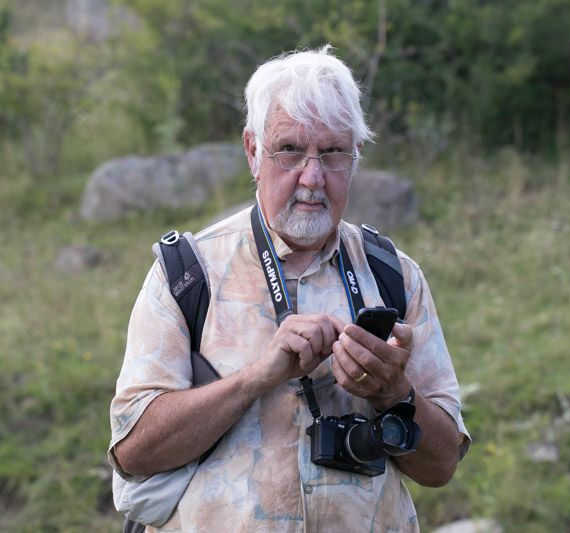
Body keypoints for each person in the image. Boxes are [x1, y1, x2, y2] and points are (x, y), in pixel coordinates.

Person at [108, 45, 470, 532]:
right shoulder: (188, 273)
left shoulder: (393, 276)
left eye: (334, 152)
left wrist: (393, 393)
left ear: (356, 156)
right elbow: (133, 452)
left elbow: (442, 466)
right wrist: (256, 377)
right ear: (253, 151)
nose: (313, 177)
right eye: (290, 150)